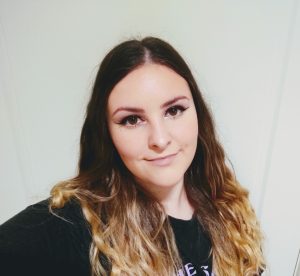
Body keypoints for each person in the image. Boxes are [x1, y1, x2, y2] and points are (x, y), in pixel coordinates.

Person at [0, 37, 265, 276]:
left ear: (198, 114)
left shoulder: (231, 208)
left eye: (174, 110)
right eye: (132, 119)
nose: (160, 140)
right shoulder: (78, 223)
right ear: (107, 133)